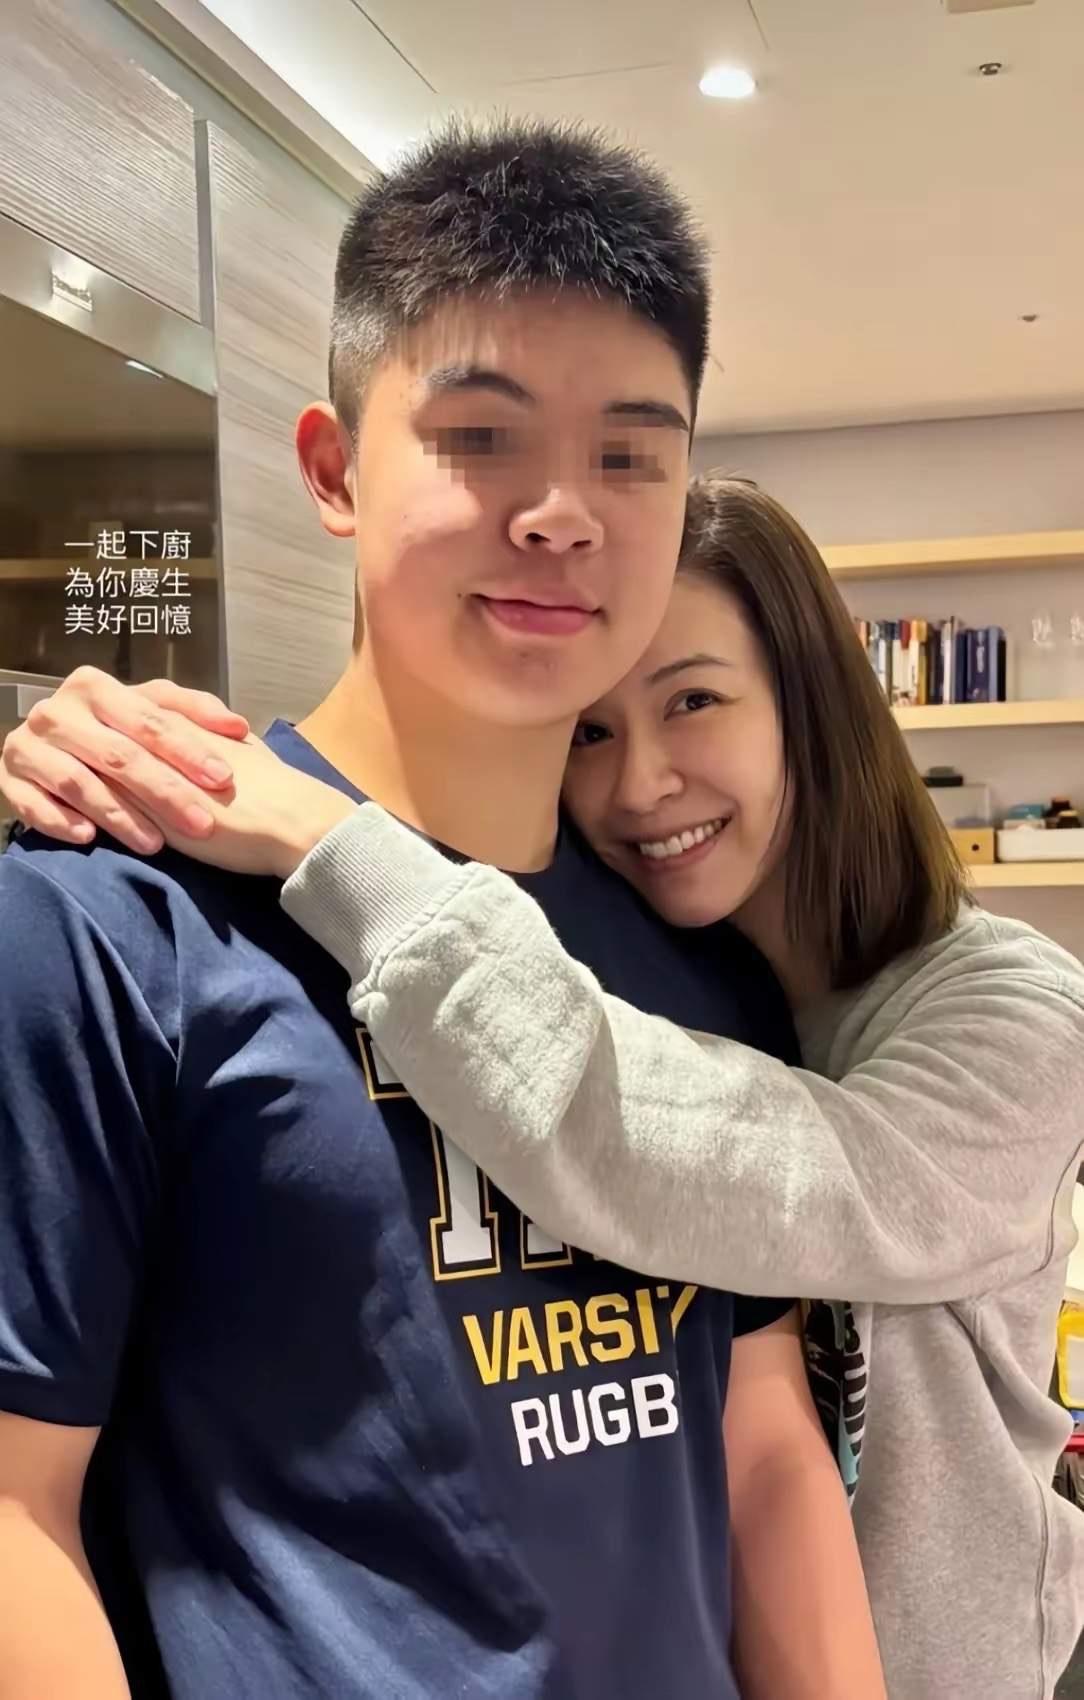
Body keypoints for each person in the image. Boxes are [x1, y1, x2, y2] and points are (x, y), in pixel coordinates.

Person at [0, 128, 883, 1700]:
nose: (562, 514)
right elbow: (17, 1507)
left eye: (632, 455)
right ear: (334, 470)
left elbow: (761, 1450)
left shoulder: (701, 958)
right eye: (481, 437)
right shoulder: (104, 920)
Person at [9, 477, 1083, 1700]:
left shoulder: (1017, 1014)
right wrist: (137, 756)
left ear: (814, 693)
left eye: (694, 699)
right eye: (587, 729)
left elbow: (730, 1168)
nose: (639, 784)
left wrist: (329, 837)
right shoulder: (657, 958)